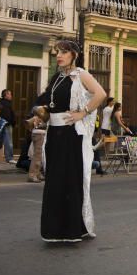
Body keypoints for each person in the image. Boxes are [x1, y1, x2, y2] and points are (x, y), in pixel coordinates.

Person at [33, 40, 107, 242]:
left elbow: (100, 94)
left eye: (64, 52)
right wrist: (40, 115)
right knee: (54, 182)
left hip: (71, 135)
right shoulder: (56, 77)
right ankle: (53, 230)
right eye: (58, 52)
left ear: (74, 55)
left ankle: (72, 229)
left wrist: (82, 112)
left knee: (70, 181)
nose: (59, 55)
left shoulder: (81, 74)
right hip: (54, 135)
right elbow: (49, 103)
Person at [0, 89, 18, 164]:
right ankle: (9, 158)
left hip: (4, 124)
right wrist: (11, 123)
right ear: (5, 95)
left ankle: (8, 157)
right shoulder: (5, 104)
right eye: (9, 94)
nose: (11, 96)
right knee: (8, 142)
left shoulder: (3, 103)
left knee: (6, 141)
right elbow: (7, 115)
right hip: (7, 125)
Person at [26, 115, 46, 183]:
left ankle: (37, 173)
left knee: (38, 156)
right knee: (37, 156)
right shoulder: (40, 114)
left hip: (37, 133)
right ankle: (32, 175)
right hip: (39, 134)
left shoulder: (37, 114)